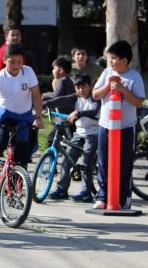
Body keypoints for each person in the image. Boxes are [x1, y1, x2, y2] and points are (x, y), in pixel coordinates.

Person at [0, 43, 43, 185]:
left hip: (23, 117)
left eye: (19, 61)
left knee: (24, 153)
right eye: (12, 61)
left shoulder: (28, 72)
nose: (16, 65)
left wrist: (38, 117)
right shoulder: (0, 77)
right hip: (3, 116)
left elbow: (37, 96)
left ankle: (15, 187)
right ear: (4, 60)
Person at [92, 40, 145, 210]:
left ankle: (124, 197)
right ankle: (102, 196)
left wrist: (122, 89)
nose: (111, 62)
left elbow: (139, 102)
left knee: (125, 163)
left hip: (126, 127)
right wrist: (108, 85)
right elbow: (95, 94)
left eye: (113, 58)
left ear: (124, 60)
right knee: (103, 161)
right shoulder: (107, 72)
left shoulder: (134, 77)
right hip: (105, 125)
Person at [44, 74, 101, 202]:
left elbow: (94, 111)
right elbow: (61, 100)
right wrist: (43, 104)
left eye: (84, 87)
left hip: (94, 134)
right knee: (67, 160)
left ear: (90, 86)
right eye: (78, 87)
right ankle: (61, 189)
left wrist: (79, 113)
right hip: (79, 133)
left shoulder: (95, 98)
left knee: (86, 163)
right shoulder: (76, 97)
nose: (81, 90)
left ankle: (86, 193)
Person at [42, 56, 75, 148]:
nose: (52, 71)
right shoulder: (67, 80)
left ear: (60, 70)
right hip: (63, 119)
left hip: (65, 119)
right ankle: (54, 157)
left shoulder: (62, 80)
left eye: (54, 68)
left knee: (72, 142)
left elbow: (57, 95)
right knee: (51, 138)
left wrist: (44, 95)